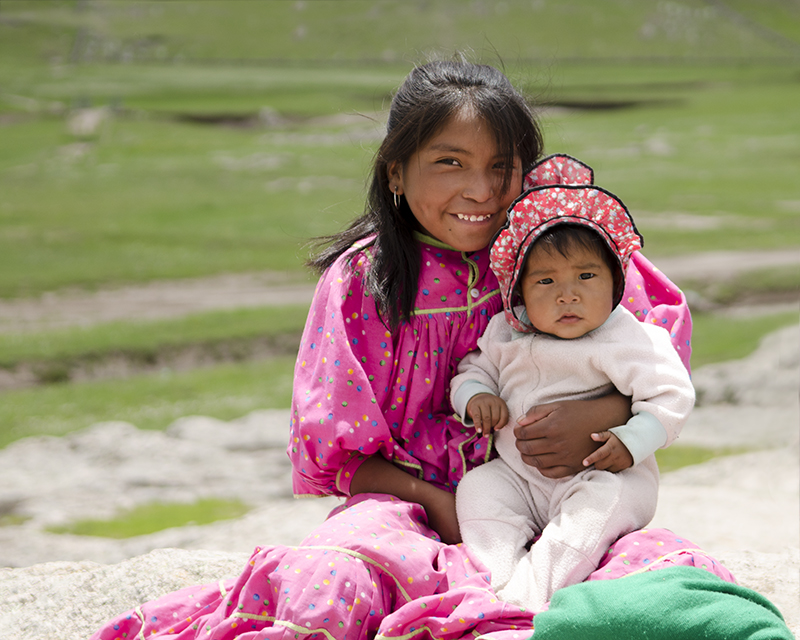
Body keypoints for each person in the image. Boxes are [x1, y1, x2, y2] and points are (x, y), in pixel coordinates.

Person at [89, 61, 750, 640]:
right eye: (450, 163)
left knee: (654, 576)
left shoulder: (558, 253)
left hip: (557, 489)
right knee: (332, 580)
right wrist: (441, 507)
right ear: (396, 173)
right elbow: (343, 461)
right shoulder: (361, 282)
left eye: (502, 166)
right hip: (406, 504)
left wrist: (599, 412)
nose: (483, 192)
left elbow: (655, 345)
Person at [451, 183, 695, 611]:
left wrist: (631, 441)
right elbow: (472, 371)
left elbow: (671, 394)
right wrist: (476, 397)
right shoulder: (505, 332)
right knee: (479, 487)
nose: (568, 295)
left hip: (602, 474)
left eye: (586, 276)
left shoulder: (627, 336)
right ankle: (501, 577)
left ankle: (532, 595)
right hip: (519, 477)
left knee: (597, 509)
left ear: (615, 280)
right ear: (520, 291)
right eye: (545, 281)